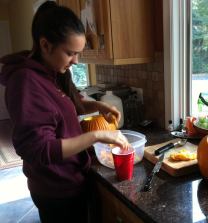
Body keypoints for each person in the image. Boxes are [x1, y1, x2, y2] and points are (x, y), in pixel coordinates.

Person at [0, 2, 129, 223]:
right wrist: (97, 135)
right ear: (45, 45)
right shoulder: (26, 82)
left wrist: (99, 106)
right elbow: (39, 149)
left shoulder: (52, 72)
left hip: (72, 178)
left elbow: (66, 107)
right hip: (55, 189)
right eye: (70, 53)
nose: (76, 61)